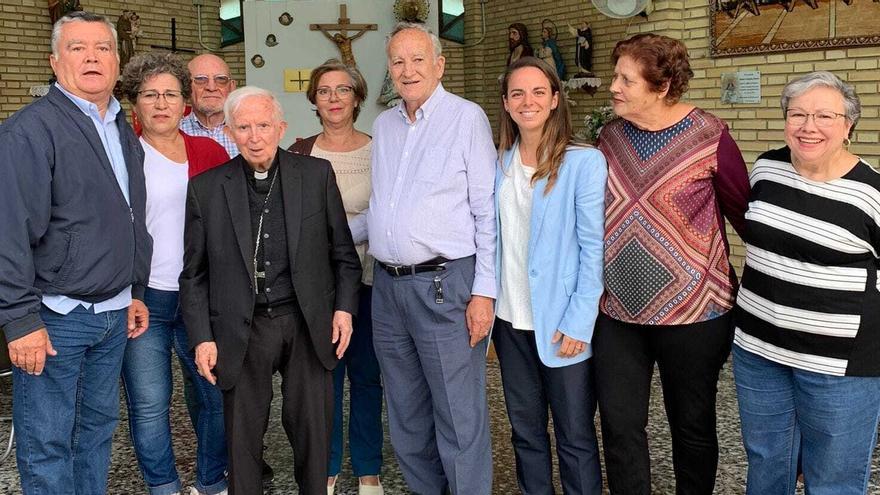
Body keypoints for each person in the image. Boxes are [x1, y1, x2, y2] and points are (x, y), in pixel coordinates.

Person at [179, 86, 362, 495]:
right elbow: (193, 274)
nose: (254, 135)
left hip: (305, 321)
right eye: (243, 127)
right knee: (242, 438)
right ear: (229, 131)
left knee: (312, 429)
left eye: (263, 125)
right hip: (242, 327)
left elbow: (344, 256)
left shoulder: (315, 175)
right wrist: (202, 338)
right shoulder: (206, 189)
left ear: (281, 128)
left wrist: (344, 310)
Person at [0, 11, 152, 494]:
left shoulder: (118, 124)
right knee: (47, 444)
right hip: (55, 316)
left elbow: (127, 215)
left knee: (96, 434)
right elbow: (8, 231)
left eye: (103, 48)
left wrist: (134, 289)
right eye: (77, 47)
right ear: (53, 60)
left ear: (116, 60)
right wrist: (20, 320)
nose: (92, 57)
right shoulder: (31, 129)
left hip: (111, 313)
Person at [594, 33, 750, 494]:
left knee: (692, 425)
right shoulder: (609, 136)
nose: (613, 86)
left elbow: (743, 212)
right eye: (615, 75)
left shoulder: (710, 136)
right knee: (620, 426)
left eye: (625, 78)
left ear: (661, 87)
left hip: (696, 312)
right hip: (618, 312)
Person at [365, 22, 496, 495]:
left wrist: (484, 291)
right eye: (398, 61)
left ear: (439, 65)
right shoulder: (384, 125)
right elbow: (385, 207)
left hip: (446, 286)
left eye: (418, 59)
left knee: (459, 415)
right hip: (388, 289)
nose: (407, 69)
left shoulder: (466, 118)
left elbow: (487, 212)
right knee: (405, 411)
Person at [733, 71, 880, 494]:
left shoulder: (870, 194)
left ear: (848, 125)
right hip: (759, 352)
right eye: (797, 114)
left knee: (833, 478)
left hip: (839, 365)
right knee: (766, 464)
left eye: (823, 116)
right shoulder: (767, 168)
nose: (808, 126)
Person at [494, 56, 606, 495]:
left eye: (539, 91)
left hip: (562, 323)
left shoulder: (583, 162)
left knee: (575, 437)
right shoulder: (498, 163)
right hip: (510, 321)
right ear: (505, 103)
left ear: (556, 98)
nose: (528, 101)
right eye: (517, 93)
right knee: (525, 434)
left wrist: (580, 320)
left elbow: (594, 247)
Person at [119, 52, 230, 495]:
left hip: (201, 296)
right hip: (143, 298)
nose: (161, 103)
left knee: (216, 394)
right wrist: (125, 290)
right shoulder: (122, 153)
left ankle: (211, 481)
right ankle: (163, 485)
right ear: (135, 103)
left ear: (185, 103)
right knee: (149, 404)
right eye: (150, 95)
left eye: (170, 94)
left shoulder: (210, 150)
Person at [288, 59, 383, 495]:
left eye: (343, 90)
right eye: (324, 91)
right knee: (324, 381)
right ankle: (325, 468)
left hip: (371, 284)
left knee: (367, 378)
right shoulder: (301, 152)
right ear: (313, 100)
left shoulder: (380, 148)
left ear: (358, 97)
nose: (333, 99)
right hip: (319, 292)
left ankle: (367, 470)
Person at [180, 53, 239, 157]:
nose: (211, 88)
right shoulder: (173, 133)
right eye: (200, 79)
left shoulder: (250, 133)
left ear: (232, 87)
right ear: (186, 87)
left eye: (221, 79)